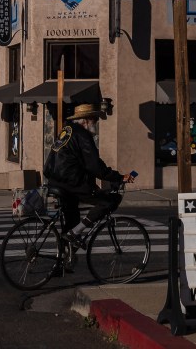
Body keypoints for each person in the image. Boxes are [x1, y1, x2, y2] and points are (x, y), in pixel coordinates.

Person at [42, 103, 135, 246]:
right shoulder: (83, 135)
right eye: (94, 120)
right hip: (72, 182)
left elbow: (87, 161)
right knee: (109, 201)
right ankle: (75, 233)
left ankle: (64, 260)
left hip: (56, 180)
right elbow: (94, 166)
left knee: (71, 219)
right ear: (85, 120)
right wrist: (119, 177)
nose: (96, 123)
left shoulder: (67, 130)